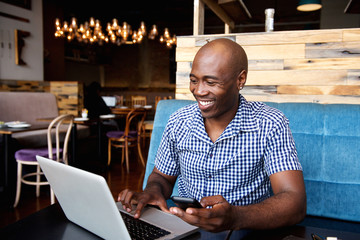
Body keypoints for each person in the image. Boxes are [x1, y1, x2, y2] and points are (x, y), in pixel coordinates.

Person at [118, 38, 306, 232]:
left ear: (240, 80)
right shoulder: (178, 121)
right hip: (183, 228)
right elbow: (161, 177)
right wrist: (152, 191)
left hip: (243, 232)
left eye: (211, 82)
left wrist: (235, 217)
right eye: (193, 80)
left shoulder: (270, 123)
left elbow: (295, 201)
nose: (199, 91)